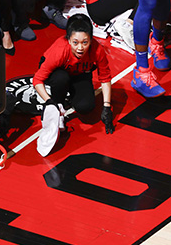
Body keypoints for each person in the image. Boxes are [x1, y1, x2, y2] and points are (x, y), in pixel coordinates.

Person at [33, 15, 114, 156]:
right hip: (59, 74)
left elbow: (105, 78)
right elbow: (37, 80)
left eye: (85, 42)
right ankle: (59, 105)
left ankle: (70, 95)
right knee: (60, 78)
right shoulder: (59, 50)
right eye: (75, 42)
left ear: (91, 40)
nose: (80, 48)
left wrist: (107, 106)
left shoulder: (97, 50)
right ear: (68, 39)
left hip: (79, 74)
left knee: (86, 107)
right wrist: (49, 102)